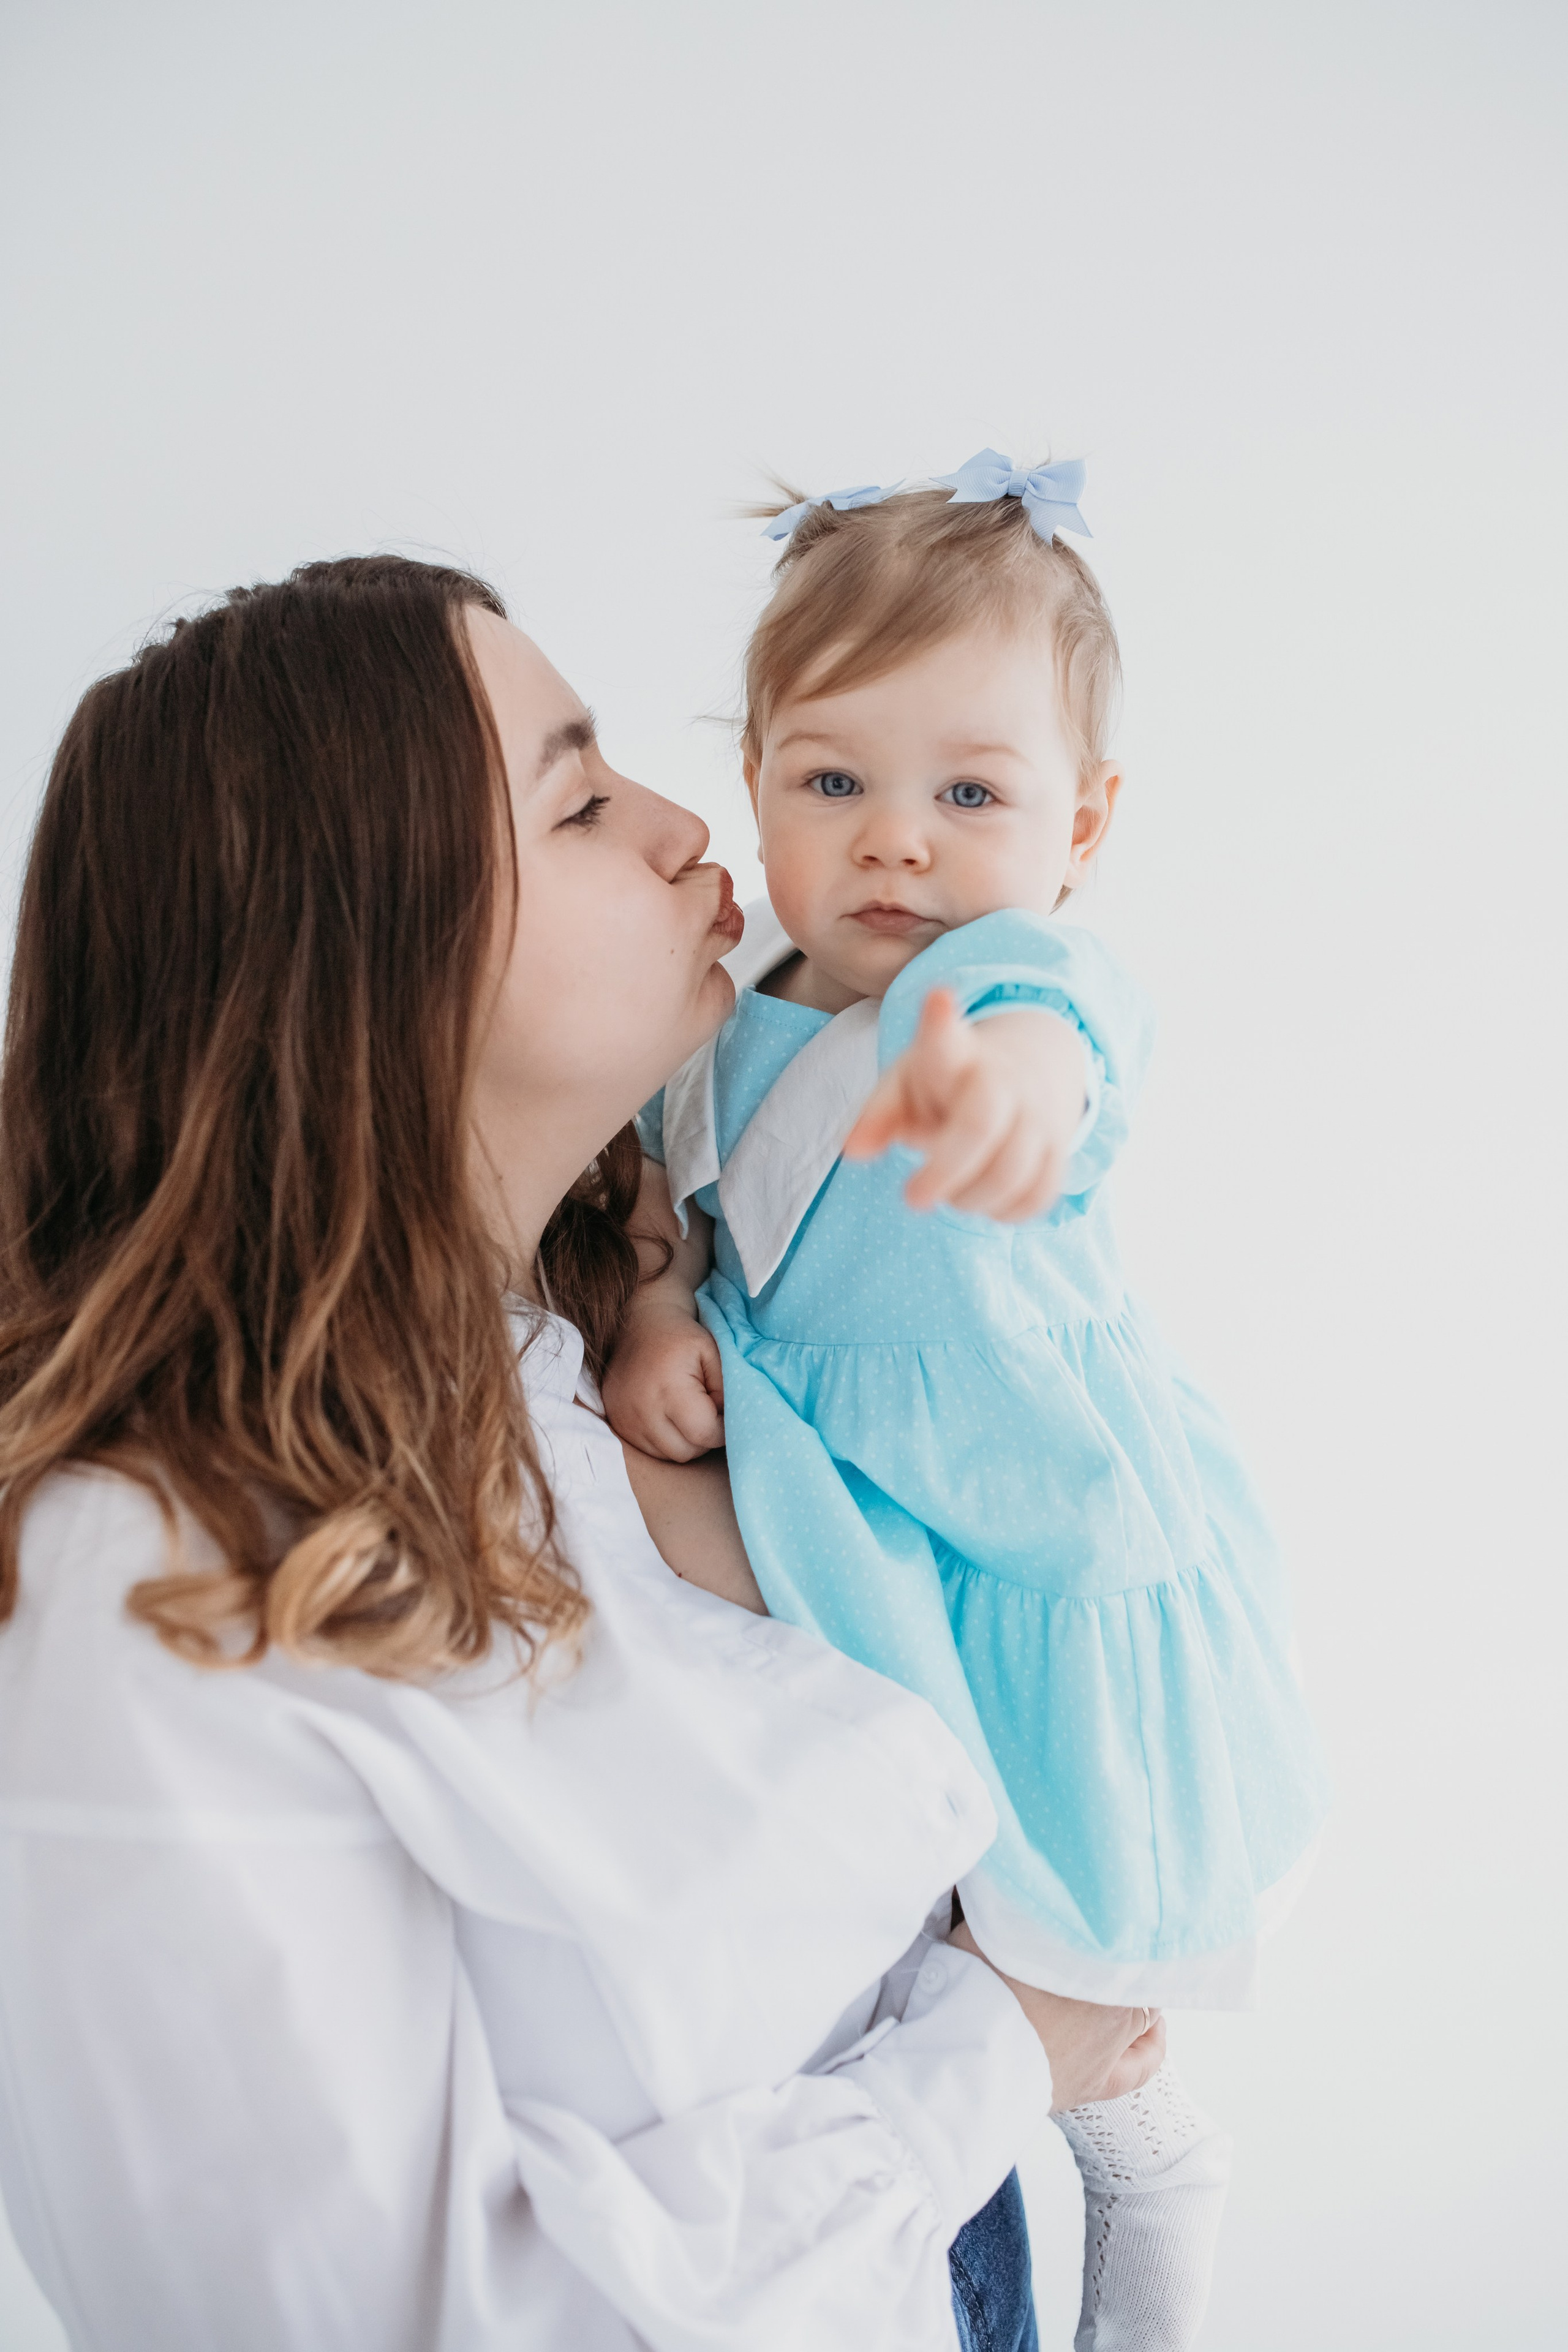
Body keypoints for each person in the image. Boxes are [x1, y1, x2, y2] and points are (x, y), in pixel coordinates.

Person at [0, 555, 1166, 2352]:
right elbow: (394, 2318)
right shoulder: (148, 1588)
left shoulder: (628, 1346)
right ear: (366, 953)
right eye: (579, 797)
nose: (691, 824)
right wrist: (991, 2057)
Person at [603, 456, 1329, 2346]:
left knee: (1069, 1975)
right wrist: (657, 1308)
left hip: (1025, 1552)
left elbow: (1065, 1044)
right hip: (856, 1565)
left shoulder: (1016, 985)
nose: (896, 845)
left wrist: (1015, 1094)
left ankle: (1155, 2168)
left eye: (971, 795)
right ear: (753, 782)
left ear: (1079, 825)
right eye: (832, 782)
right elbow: (661, 1213)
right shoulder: (720, 1029)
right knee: (927, 1995)